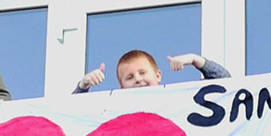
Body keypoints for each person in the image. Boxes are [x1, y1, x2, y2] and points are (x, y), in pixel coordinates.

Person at [73, 49, 230, 93]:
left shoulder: (175, 100)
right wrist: (83, 85)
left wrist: (196, 60)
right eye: (129, 77)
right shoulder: (114, 110)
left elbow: (227, 86)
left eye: (142, 73)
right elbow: (72, 119)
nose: (138, 79)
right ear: (122, 88)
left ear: (158, 75)